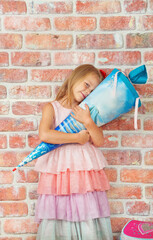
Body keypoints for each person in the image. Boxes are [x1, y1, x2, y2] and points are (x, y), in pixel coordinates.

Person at [34, 64, 113, 240]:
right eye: (86, 85)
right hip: (59, 170)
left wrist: (88, 122)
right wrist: (77, 138)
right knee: (58, 205)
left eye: (92, 91)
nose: (88, 92)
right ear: (74, 78)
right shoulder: (52, 107)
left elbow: (99, 141)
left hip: (83, 171)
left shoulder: (87, 111)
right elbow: (45, 134)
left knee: (85, 203)